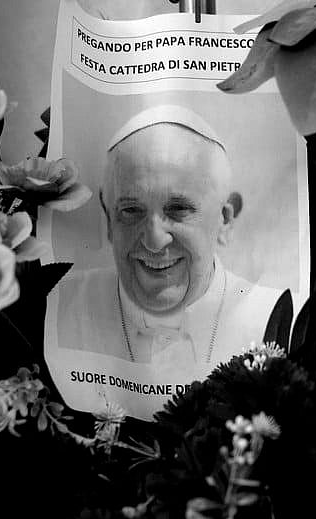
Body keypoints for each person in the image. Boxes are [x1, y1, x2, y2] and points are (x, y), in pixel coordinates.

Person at [57, 105, 283, 366]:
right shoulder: (58, 305)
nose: (154, 241)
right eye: (131, 210)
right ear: (109, 218)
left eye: (178, 209)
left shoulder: (275, 317)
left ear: (224, 219)